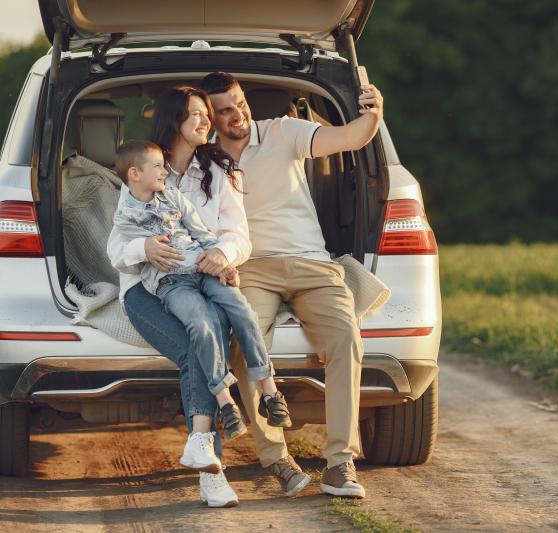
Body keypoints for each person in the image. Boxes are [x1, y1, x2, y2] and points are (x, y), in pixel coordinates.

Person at [107, 87, 310, 508]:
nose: (206, 121)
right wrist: (142, 250)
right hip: (148, 287)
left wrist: (223, 254)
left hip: (204, 272)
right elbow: (117, 248)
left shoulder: (220, 170)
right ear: (173, 121)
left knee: (214, 327)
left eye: (206, 114)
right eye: (196, 114)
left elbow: (238, 235)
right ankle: (211, 470)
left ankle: (206, 454)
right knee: (197, 345)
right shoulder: (146, 168)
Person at [200, 71, 384, 499]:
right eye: (224, 110)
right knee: (247, 345)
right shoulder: (202, 161)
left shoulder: (283, 131)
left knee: (345, 337)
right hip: (251, 269)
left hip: (312, 265)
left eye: (240, 103)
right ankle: (278, 461)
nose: (238, 115)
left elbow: (350, 137)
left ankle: (340, 463)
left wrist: (373, 114)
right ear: (209, 117)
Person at [111, 138, 292, 443]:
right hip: (171, 283)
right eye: (157, 166)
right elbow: (127, 255)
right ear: (134, 174)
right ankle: (225, 401)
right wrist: (143, 248)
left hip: (204, 269)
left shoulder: (173, 197)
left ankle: (270, 391)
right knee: (201, 324)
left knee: (242, 311)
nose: (164, 173)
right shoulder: (125, 218)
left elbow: (202, 234)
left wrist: (223, 262)